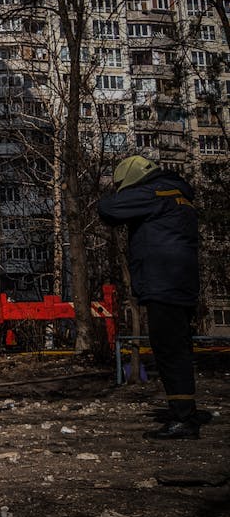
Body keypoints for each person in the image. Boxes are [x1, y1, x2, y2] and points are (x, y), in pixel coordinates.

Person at [98, 154, 205, 440]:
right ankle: (183, 413)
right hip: (181, 283)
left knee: (169, 351)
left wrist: (120, 195)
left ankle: (184, 420)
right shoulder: (178, 195)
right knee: (177, 350)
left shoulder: (154, 192)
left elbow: (108, 209)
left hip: (164, 283)